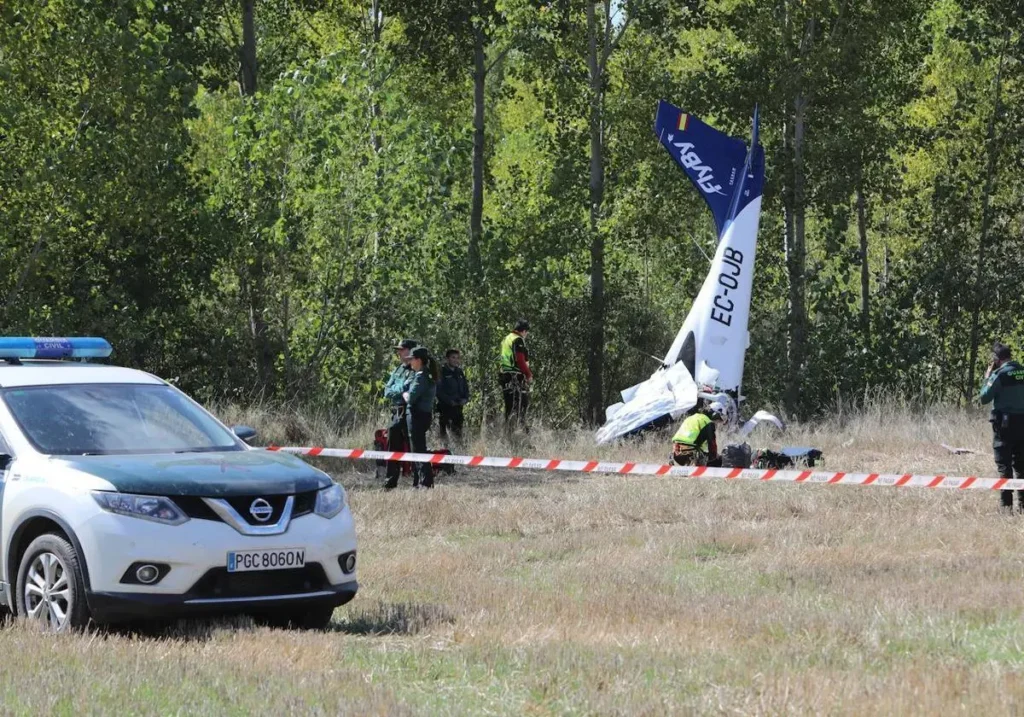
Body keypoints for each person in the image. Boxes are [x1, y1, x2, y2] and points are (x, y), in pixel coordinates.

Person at [979, 341, 1024, 511]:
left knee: (1004, 465)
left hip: (1004, 426)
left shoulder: (999, 375)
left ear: (997, 360)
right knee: (1021, 465)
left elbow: (984, 398)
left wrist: (987, 377)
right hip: (1022, 424)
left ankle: (1006, 508)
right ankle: (1023, 506)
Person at [402, 346, 440, 488]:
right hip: (422, 416)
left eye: (412, 359)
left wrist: (405, 394)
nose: (410, 362)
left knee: (418, 450)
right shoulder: (426, 375)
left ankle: (425, 482)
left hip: (417, 416)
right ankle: (419, 481)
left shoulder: (421, 376)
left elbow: (411, 397)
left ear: (418, 360)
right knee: (417, 449)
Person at [382, 338, 417, 490]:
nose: (399, 352)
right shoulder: (398, 369)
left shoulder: (416, 370)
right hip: (396, 413)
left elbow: (407, 388)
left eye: (402, 349)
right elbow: (387, 391)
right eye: (399, 350)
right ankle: (390, 482)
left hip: (410, 412)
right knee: (392, 448)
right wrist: (399, 390)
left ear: (410, 351)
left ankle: (418, 481)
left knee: (414, 448)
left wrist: (398, 389)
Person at [499, 319, 532, 435]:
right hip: (515, 377)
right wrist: (528, 374)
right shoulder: (518, 340)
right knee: (522, 406)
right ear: (523, 331)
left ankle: (508, 434)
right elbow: (520, 359)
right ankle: (523, 434)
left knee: (510, 408)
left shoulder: (507, 338)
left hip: (505, 376)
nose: (526, 335)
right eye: (526, 332)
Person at [671, 402, 726, 467]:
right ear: (715, 414)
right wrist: (716, 458)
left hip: (675, 453)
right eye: (718, 420)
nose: (717, 423)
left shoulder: (691, 418)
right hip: (691, 454)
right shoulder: (708, 422)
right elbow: (712, 446)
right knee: (717, 461)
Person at [436, 348, 470, 443]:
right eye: (453, 357)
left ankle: (458, 453)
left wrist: (465, 398)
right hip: (445, 408)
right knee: (445, 436)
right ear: (447, 359)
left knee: (458, 435)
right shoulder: (442, 372)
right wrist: (449, 401)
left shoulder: (459, 372)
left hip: (458, 408)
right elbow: (438, 391)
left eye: (457, 358)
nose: (455, 360)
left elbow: (465, 387)